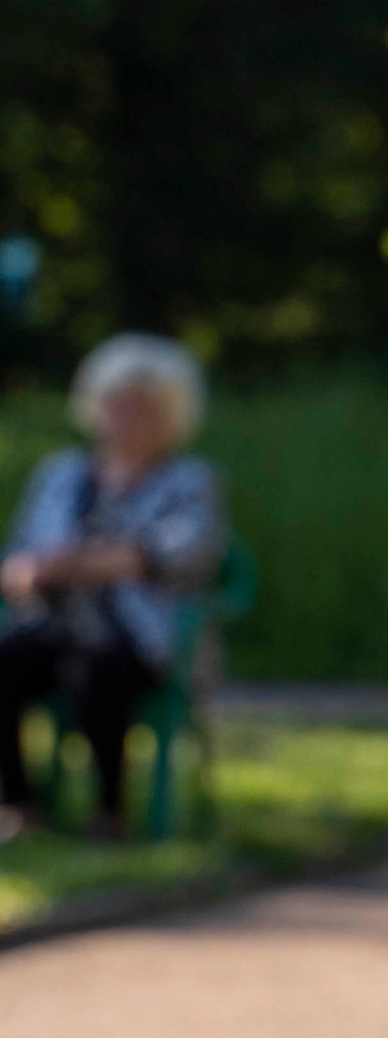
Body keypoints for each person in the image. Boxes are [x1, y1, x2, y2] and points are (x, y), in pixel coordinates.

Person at [0, 333, 224, 839]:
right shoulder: (61, 475)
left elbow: (166, 556)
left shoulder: (189, 480)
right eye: (116, 404)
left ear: (172, 415)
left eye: (143, 408)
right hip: (54, 622)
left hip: (147, 638)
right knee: (9, 659)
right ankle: (18, 802)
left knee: (100, 666)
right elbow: (21, 554)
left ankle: (110, 812)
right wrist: (26, 572)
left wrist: (70, 564)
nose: (126, 418)